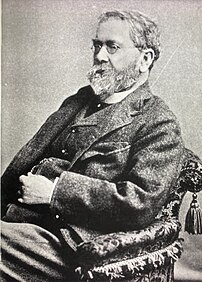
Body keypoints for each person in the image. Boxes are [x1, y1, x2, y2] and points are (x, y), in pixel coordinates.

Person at [1, 10, 185, 281]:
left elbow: (140, 202)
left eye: (112, 46)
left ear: (145, 59)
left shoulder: (158, 121)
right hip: (23, 218)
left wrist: (55, 193)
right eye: (97, 45)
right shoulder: (78, 101)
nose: (100, 55)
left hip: (75, 244)